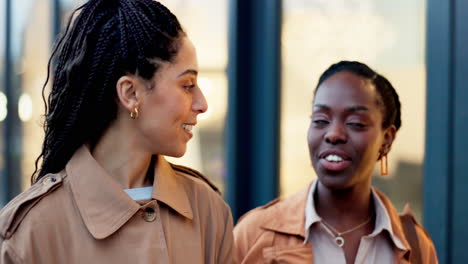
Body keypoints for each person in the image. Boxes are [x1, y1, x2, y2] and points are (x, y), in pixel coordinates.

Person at [0, 0, 234, 263]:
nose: (203, 104)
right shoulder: (31, 232)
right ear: (130, 93)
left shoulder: (208, 211)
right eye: (188, 84)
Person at [234, 61, 438, 263]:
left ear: (386, 140)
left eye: (355, 123)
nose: (333, 134)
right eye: (321, 120)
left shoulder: (414, 245)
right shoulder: (254, 234)